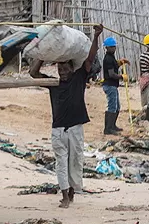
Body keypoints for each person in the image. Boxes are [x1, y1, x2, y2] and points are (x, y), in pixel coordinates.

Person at [29, 25, 103, 209]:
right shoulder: (53, 83)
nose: (61, 71)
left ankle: (71, 192)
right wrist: (42, 55)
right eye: (59, 68)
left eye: (64, 68)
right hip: (58, 129)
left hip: (76, 127)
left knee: (75, 161)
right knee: (61, 163)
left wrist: (96, 36)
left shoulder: (79, 78)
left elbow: (90, 58)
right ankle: (64, 195)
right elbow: (33, 74)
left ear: (72, 68)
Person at [101, 36, 125, 135]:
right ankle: (108, 128)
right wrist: (122, 77)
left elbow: (113, 66)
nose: (114, 48)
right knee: (112, 107)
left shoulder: (111, 58)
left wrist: (119, 63)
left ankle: (112, 125)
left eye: (114, 47)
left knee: (117, 106)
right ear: (107, 48)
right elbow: (111, 74)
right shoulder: (108, 59)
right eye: (112, 47)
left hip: (112, 85)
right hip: (110, 85)